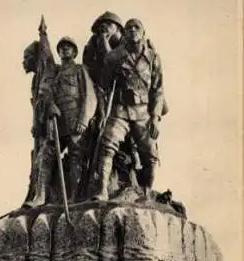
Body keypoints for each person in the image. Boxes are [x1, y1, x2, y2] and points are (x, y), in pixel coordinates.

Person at [92, 18, 167, 201]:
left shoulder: (153, 58)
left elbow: (158, 90)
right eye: (129, 28)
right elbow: (103, 86)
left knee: (150, 155)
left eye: (136, 27)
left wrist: (155, 118)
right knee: (108, 145)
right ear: (124, 33)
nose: (132, 30)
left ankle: (146, 194)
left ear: (143, 32)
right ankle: (102, 191)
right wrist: (103, 113)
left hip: (143, 113)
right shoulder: (114, 57)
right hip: (120, 110)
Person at [30, 36, 96, 205]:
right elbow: (47, 94)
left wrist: (83, 120)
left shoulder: (80, 70)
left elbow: (89, 96)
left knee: (76, 157)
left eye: (69, 47)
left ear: (75, 52)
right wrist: (50, 105)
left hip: (75, 121)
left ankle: (74, 195)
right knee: (46, 155)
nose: (65, 49)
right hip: (58, 123)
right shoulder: (55, 72)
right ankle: (40, 195)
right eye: (61, 47)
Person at [83, 11, 124, 86]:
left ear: (118, 28)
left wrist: (104, 42)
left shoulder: (127, 42)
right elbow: (87, 64)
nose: (103, 26)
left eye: (109, 24)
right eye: (100, 26)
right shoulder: (95, 40)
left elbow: (113, 64)